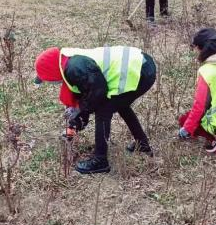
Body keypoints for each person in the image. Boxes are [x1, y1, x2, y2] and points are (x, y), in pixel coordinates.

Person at [34, 45, 157, 174]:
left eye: (48, 80)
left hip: (140, 70)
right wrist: (75, 122)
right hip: (142, 64)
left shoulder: (74, 69)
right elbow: (86, 93)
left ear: (53, 72)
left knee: (103, 110)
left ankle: (100, 161)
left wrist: (81, 111)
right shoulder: (67, 60)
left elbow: (98, 93)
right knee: (120, 105)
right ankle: (142, 144)